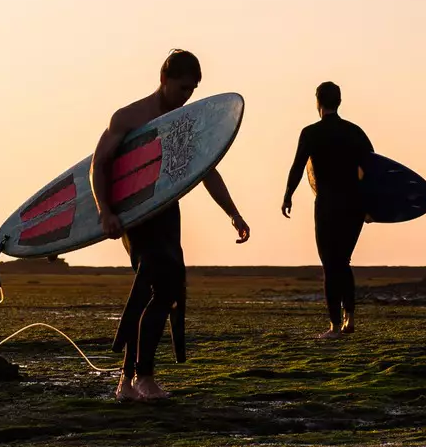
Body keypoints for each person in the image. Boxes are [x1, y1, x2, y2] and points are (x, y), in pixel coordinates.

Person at [95, 49, 250, 401]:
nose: (187, 96)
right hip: (135, 216)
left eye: (193, 90)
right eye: (182, 88)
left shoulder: (184, 123)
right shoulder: (128, 117)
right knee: (157, 283)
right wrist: (105, 211)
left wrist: (233, 214)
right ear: (164, 80)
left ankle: (129, 380)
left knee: (162, 291)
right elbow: (98, 165)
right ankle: (141, 377)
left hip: (167, 214)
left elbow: (207, 169)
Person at [282, 81, 373, 338]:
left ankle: (334, 326)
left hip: (328, 204)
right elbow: (373, 169)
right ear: (339, 101)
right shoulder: (355, 132)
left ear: (318, 103)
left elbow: (298, 167)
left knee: (330, 265)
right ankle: (350, 318)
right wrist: (371, 205)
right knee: (343, 261)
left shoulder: (310, 133)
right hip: (354, 205)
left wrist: (288, 195)